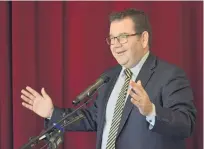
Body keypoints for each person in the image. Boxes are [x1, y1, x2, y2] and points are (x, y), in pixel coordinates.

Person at [21, 8, 196, 149]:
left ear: (143, 39)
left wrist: (151, 110)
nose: (116, 45)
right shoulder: (110, 76)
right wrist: (52, 113)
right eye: (112, 38)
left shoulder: (170, 75)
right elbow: (92, 118)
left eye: (123, 37)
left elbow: (186, 124)